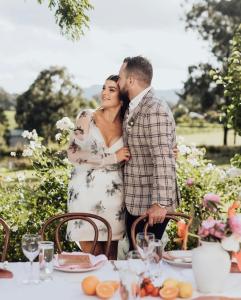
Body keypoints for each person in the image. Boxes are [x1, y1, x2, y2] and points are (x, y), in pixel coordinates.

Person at [118, 56, 181, 250]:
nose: (118, 81)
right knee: (137, 260)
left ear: (130, 80)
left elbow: (163, 159)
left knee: (146, 263)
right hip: (135, 201)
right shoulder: (134, 106)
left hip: (151, 206)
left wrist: (160, 204)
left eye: (120, 76)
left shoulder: (154, 109)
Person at [66, 75, 130, 259]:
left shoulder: (127, 125)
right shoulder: (87, 117)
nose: (104, 92)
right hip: (84, 195)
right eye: (104, 87)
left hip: (114, 197)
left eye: (112, 89)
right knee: (92, 258)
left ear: (123, 95)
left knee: (110, 259)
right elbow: (72, 153)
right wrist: (111, 157)